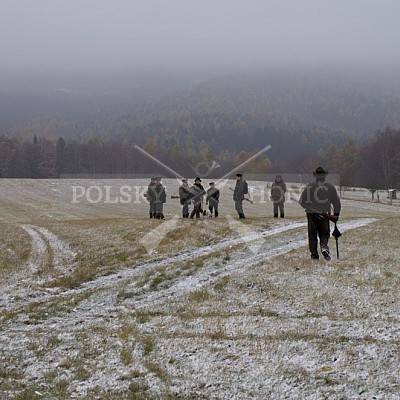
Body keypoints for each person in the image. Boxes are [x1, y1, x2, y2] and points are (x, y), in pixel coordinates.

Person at [299, 167, 341, 260]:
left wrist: (309, 207)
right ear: (324, 176)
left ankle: (314, 255)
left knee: (312, 236)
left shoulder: (310, 187)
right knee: (324, 234)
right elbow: (336, 202)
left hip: (312, 215)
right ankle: (324, 248)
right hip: (325, 215)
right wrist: (336, 214)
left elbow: (302, 201)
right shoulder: (330, 187)